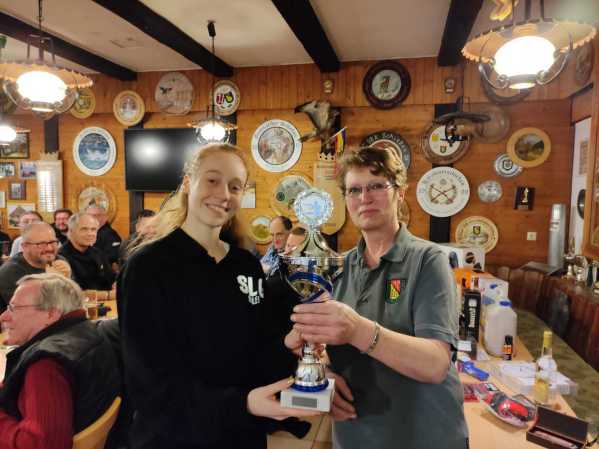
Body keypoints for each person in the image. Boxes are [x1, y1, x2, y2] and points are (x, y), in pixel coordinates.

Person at [118, 143, 319, 449]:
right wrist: (241, 403)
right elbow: (148, 383)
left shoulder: (245, 264)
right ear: (188, 183)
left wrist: (287, 345)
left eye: (235, 186)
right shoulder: (147, 267)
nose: (224, 194)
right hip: (174, 439)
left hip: (241, 436)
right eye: (212, 180)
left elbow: (256, 349)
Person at [288, 147, 468, 449]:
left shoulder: (428, 260)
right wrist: (325, 378)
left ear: (401, 192)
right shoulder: (338, 266)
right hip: (355, 435)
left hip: (422, 436)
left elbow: (436, 364)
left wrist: (357, 329)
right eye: (354, 190)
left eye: (376, 186)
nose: (364, 198)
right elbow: (320, 349)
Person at [0, 273, 120, 449]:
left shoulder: (45, 366)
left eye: (13, 308)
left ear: (51, 314)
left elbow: (41, 445)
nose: (3, 316)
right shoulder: (89, 332)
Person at [0, 223, 71, 312]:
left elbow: (73, 301)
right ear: (25, 247)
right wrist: (52, 281)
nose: (49, 248)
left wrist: (68, 279)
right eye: (41, 244)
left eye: (52, 242)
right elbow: (36, 314)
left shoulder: (59, 260)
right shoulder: (10, 272)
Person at [58, 213, 115, 291]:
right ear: (71, 231)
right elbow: (71, 291)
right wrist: (107, 295)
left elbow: (111, 278)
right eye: (84, 229)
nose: (90, 234)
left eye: (93, 229)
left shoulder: (98, 253)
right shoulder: (61, 257)